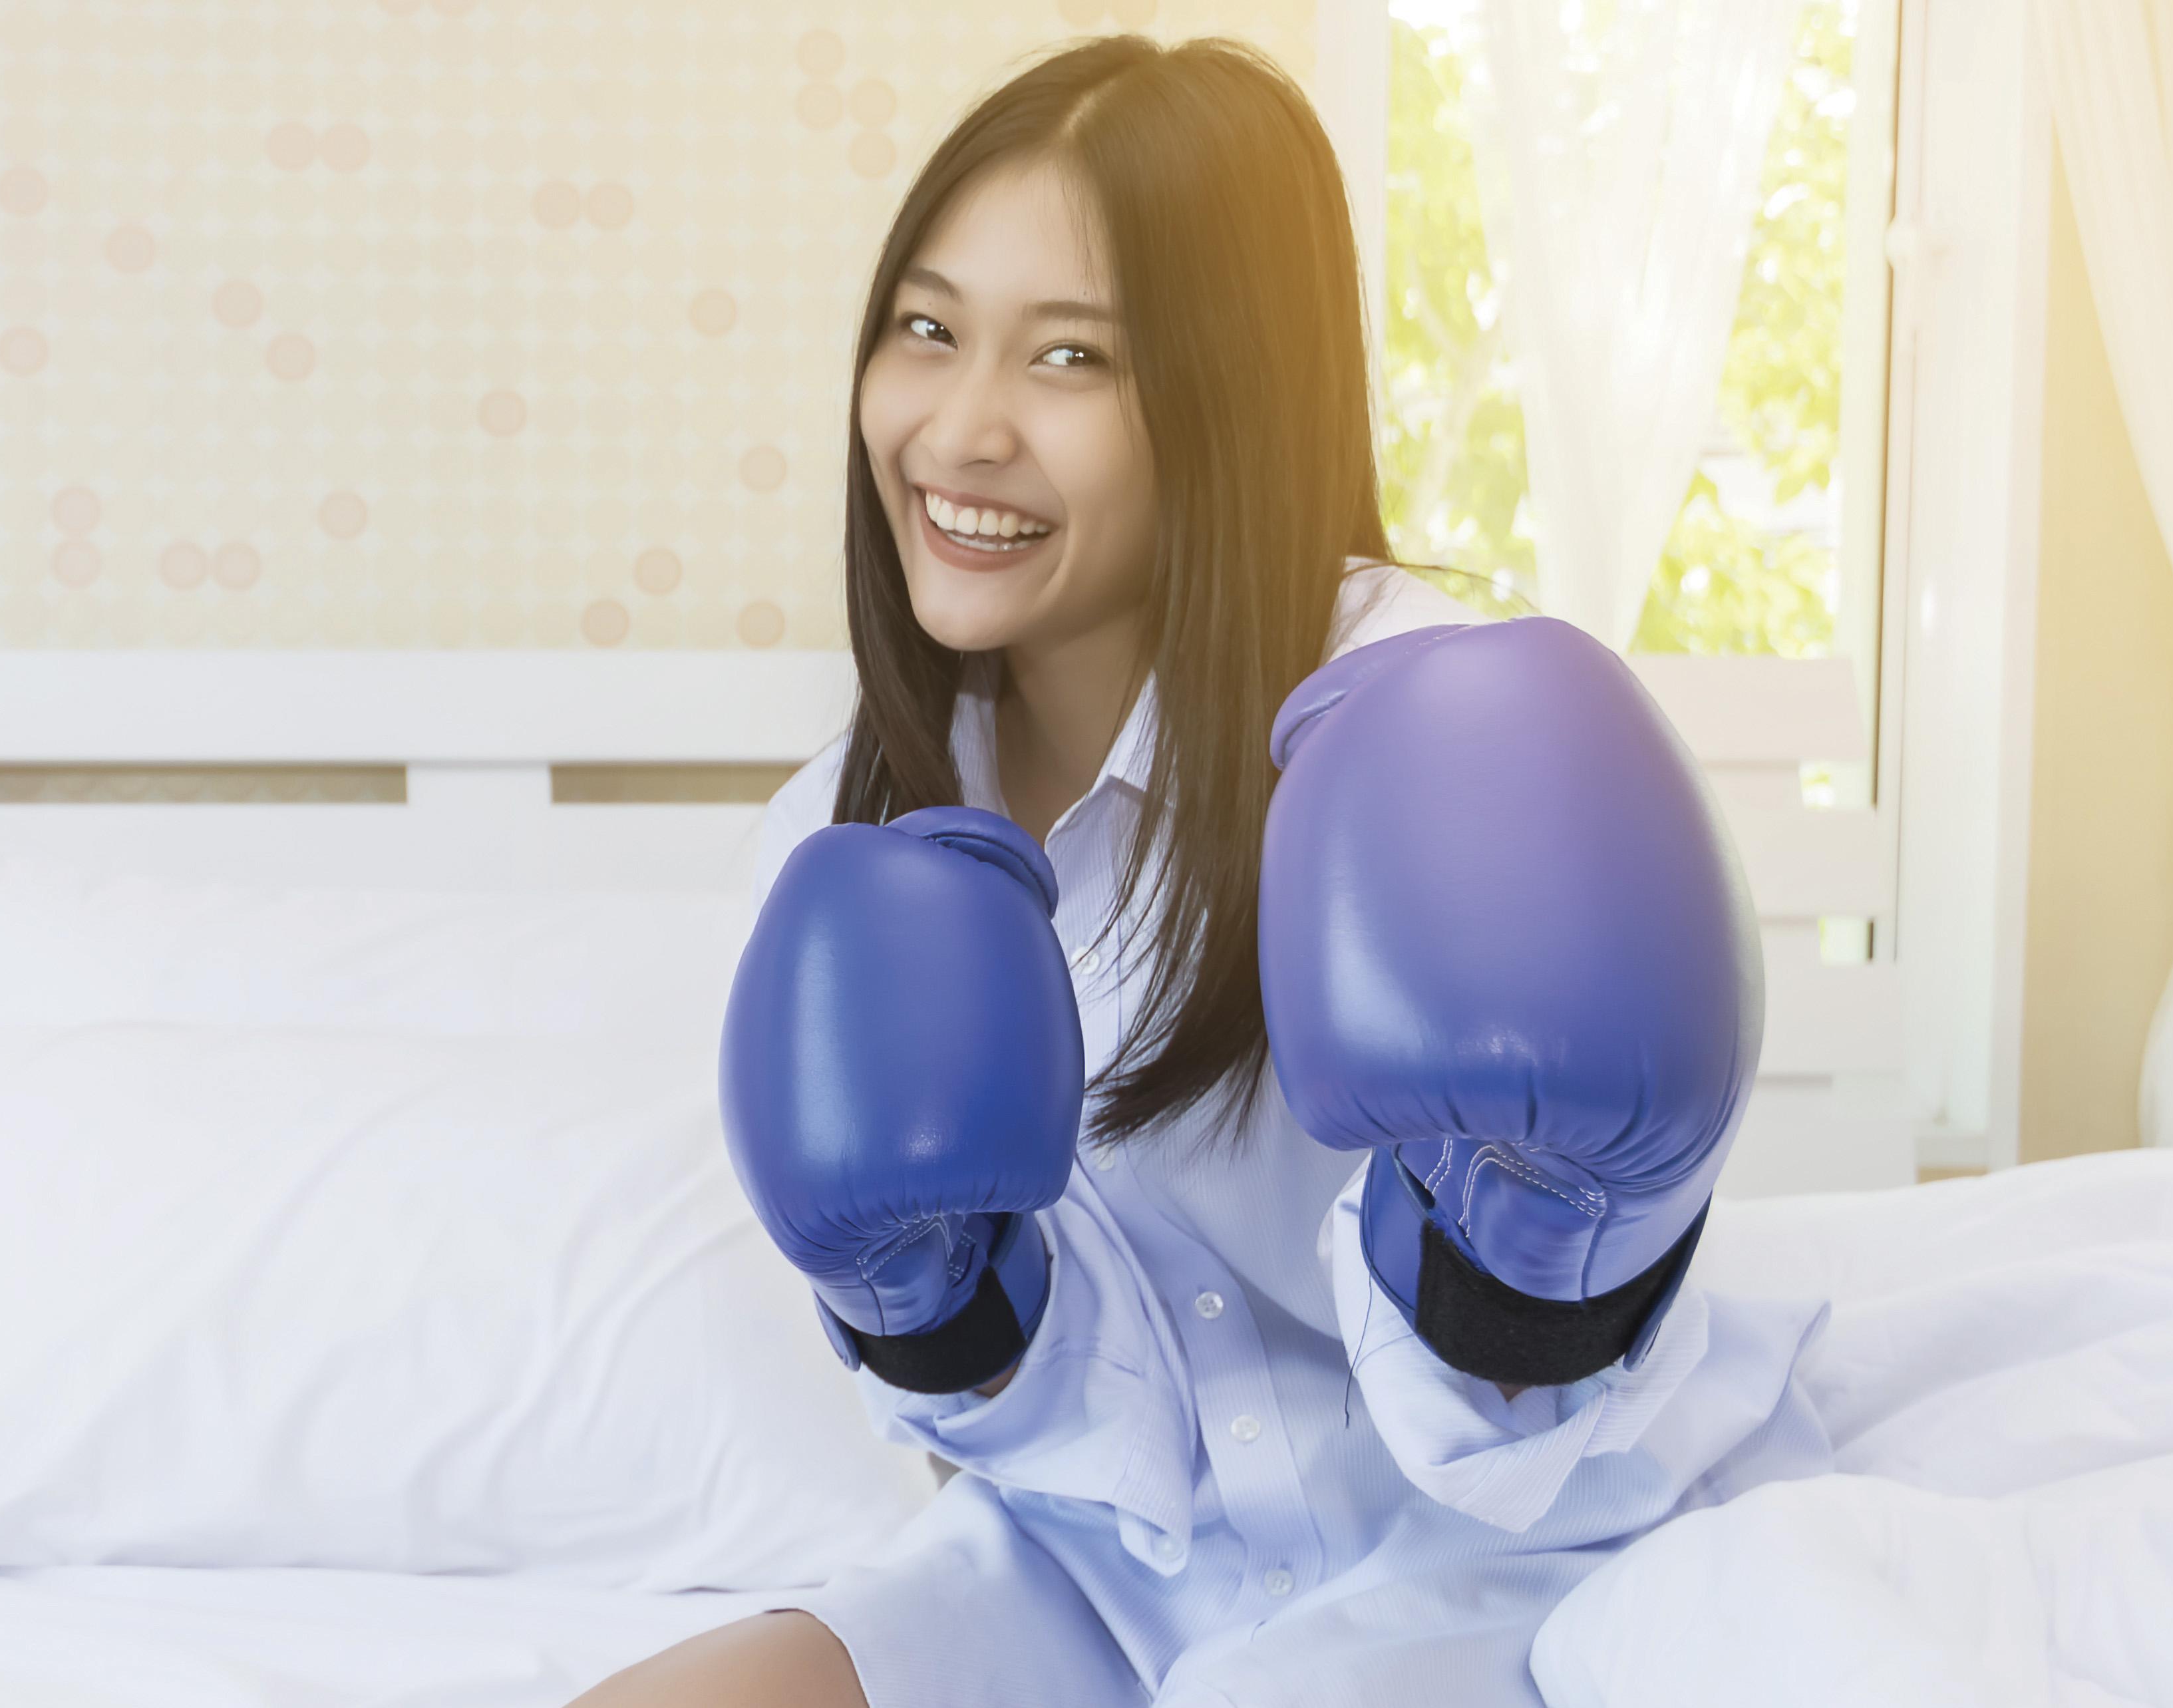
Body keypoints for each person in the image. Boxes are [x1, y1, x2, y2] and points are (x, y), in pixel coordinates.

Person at [572, 34, 1832, 1708]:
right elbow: (1026, 1452)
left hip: (1515, 1548)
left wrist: (1536, 1271)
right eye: (927, 330)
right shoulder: (841, 843)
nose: (960, 430)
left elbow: (1534, 1421)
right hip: (1106, 1576)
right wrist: (937, 1313)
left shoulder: (1424, 727)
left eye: (1071, 359)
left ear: (1227, 389)